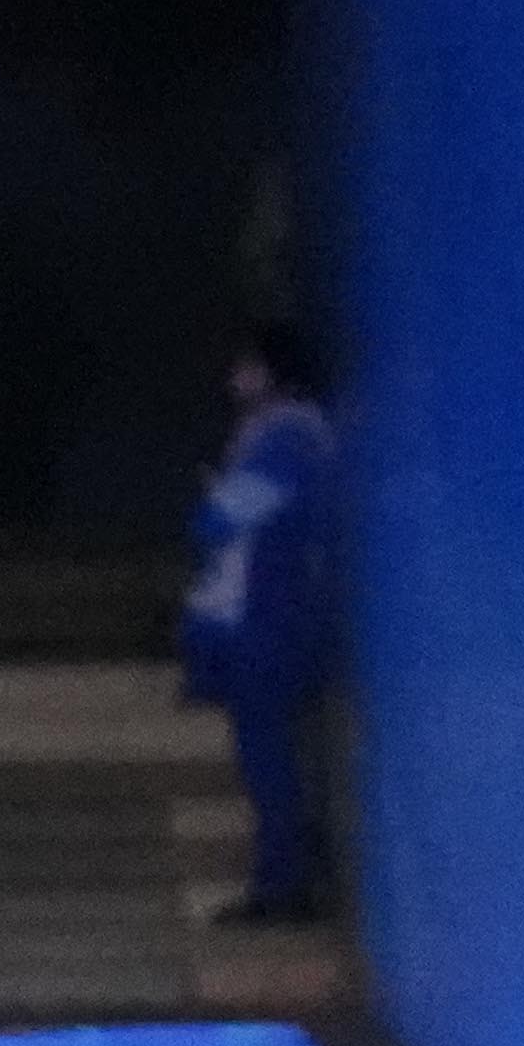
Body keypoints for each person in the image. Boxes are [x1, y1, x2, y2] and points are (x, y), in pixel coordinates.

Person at [179, 329, 351, 931]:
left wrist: (214, 497)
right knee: (278, 758)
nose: (234, 379)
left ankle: (283, 885)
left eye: (246, 367)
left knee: (268, 759)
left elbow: (219, 520)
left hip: (265, 625)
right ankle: (290, 874)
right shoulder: (308, 437)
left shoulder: (283, 440)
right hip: (281, 620)